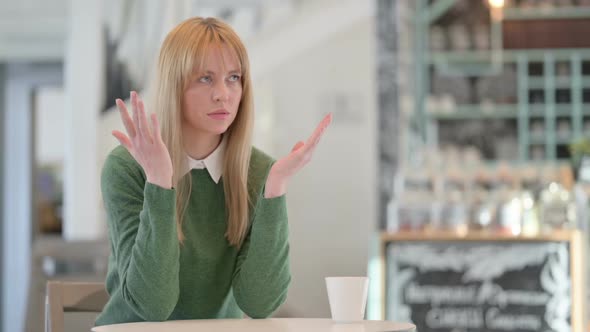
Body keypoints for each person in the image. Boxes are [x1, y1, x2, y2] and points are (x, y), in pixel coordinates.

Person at [95, 16, 332, 325]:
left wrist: (275, 187)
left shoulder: (258, 171)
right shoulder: (126, 168)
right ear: (174, 85)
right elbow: (153, 306)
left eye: (234, 77)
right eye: (206, 78)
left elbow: (260, 304)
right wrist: (159, 182)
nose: (224, 94)